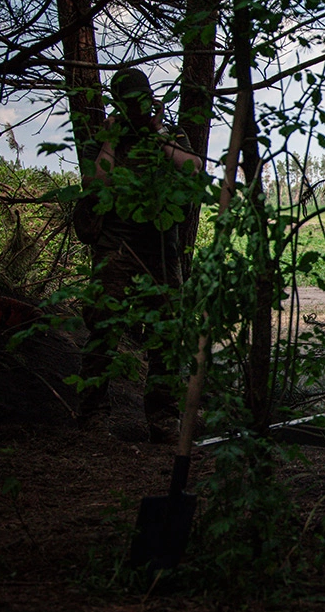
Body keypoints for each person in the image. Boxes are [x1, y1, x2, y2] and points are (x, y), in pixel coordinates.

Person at [77, 68, 203, 442]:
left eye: (142, 101)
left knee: (166, 337)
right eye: (131, 103)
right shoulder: (104, 141)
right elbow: (96, 187)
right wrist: (112, 141)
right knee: (103, 332)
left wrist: (158, 135)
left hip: (161, 252)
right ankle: (92, 416)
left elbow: (193, 170)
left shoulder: (169, 135)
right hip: (116, 248)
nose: (138, 109)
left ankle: (163, 419)